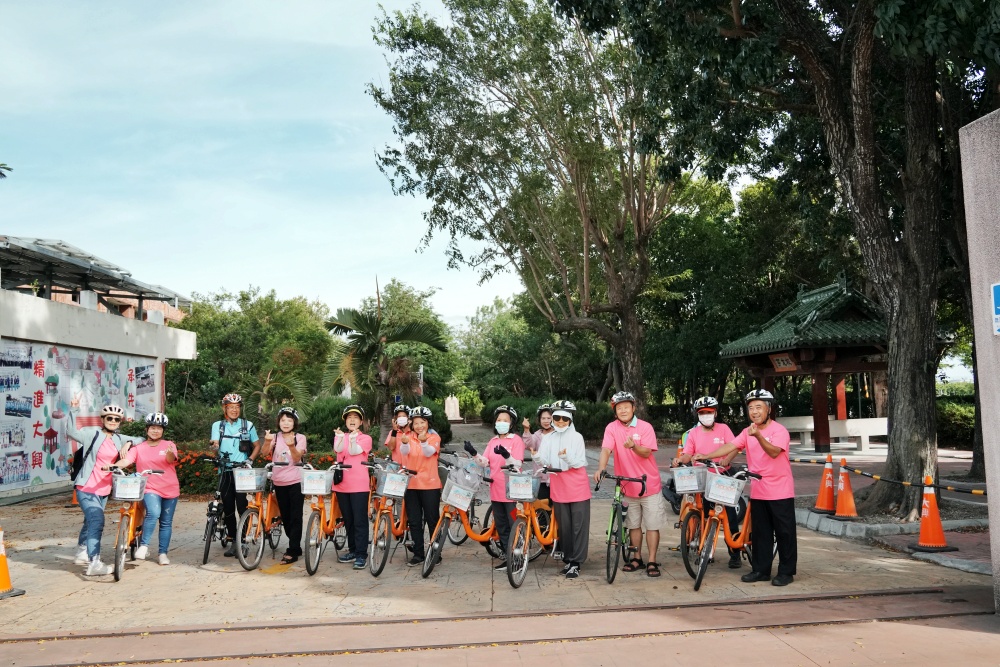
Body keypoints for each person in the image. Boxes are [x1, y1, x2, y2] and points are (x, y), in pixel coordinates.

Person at [694, 389, 796, 586]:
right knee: (760, 533)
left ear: (769, 408)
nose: (754, 412)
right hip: (758, 489)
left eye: (759, 407)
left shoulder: (778, 430)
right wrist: (706, 455)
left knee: (784, 532)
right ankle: (761, 570)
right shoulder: (747, 431)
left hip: (780, 490)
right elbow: (730, 446)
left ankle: (786, 572)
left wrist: (758, 436)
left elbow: (774, 452)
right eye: (751, 408)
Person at [594, 390, 669, 578]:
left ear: (634, 408)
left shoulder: (645, 427)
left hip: (648, 484)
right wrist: (601, 468)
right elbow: (606, 449)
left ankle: (652, 560)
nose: (623, 410)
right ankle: (637, 558)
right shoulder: (611, 428)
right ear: (615, 411)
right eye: (619, 408)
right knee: (634, 525)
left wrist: (633, 446)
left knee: (652, 525)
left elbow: (646, 453)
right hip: (627, 485)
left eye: (627, 406)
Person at [672, 396, 742, 569]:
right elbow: (688, 453)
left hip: (723, 476)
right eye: (702, 413)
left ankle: (735, 554)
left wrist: (727, 459)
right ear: (698, 415)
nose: (706, 415)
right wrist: (680, 460)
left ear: (715, 412)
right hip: (703, 478)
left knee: (730, 517)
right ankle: (705, 551)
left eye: (709, 412)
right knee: (705, 516)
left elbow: (735, 447)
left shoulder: (724, 429)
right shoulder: (693, 433)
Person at [67, 402, 133, 576]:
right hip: (86, 487)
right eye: (109, 418)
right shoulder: (92, 434)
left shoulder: (119, 439)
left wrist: (130, 442)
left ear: (120, 422)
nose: (113, 421)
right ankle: (94, 562)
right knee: (97, 520)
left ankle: (82, 550)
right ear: (102, 419)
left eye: (116, 419)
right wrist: (73, 410)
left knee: (89, 521)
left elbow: (141, 440)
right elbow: (71, 432)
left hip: (104, 490)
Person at [534, 399, 590, 579]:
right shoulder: (548, 438)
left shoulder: (577, 437)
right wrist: (537, 458)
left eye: (564, 419)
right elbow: (544, 459)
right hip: (558, 486)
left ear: (570, 420)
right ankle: (568, 559)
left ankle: (576, 562)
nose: (560, 422)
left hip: (577, 487)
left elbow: (580, 462)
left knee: (578, 526)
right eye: (556, 418)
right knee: (564, 527)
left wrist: (568, 458)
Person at [120, 413, 179, 565]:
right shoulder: (139, 448)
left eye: (159, 428)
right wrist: (114, 466)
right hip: (149, 487)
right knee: (153, 512)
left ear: (163, 431)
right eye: (152, 428)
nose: (155, 431)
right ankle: (144, 546)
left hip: (170, 488)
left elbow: (170, 459)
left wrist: (170, 454)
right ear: (147, 429)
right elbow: (127, 460)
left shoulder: (169, 445)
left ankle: (163, 553)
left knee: (166, 522)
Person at [473, 405, 525, 571]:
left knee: (514, 525)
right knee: (501, 525)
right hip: (495, 489)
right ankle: (508, 555)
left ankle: (518, 558)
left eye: (505, 420)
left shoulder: (516, 440)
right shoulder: (493, 441)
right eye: (499, 420)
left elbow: (517, 464)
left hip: (512, 490)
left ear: (511, 424)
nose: (501, 423)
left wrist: (507, 456)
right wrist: (474, 454)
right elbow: (485, 461)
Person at [209, 393, 261, 557]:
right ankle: (233, 540)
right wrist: (214, 446)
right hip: (225, 471)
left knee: (242, 506)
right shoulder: (218, 425)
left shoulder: (248, 425)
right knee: (229, 508)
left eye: (237, 407)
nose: (234, 410)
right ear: (225, 408)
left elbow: (257, 446)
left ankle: (243, 541)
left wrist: (250, 460)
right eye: (230, 407)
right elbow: (214, 445)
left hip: (242, 472)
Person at [261, 406, 307, 565]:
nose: (286, 423)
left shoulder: (300, 437)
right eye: (283, 420)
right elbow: (264, 453)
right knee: (286, 517)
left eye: (289, 420)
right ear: (278, 422)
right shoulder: (273, 436)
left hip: (295, 481)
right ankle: (295, 545)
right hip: (278, 481)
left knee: (295, 516)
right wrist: (267, 442)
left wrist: (291, 445)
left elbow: (296, 458)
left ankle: (293, 549)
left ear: (294, 422)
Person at [332, 404, 373, 569]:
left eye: (356, 417)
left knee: (360, 521)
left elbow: (355, 451)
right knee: (348, 520)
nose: (352, 420)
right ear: (345, 421)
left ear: (361, 421)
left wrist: (352, 438)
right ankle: (353, 550)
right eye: (349, 418)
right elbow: (339, 450)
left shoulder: (366, 438)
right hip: (342, 485)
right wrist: (341, 438)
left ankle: (362, 554)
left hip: (359, 486)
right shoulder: (341, 436)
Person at [400, 405, 442, 566]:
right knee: (415, 521)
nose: (419, 426)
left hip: (430, 485)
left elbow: (428, 453)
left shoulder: (434, 438)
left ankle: (435, 552)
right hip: (411, 485)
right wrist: (404, 443)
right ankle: (418, 553)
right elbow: (404, 452)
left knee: (433, 520)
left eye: (422, 422)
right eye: (416, 423)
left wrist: (423, 442)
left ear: (428, 423)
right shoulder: (409, 437)